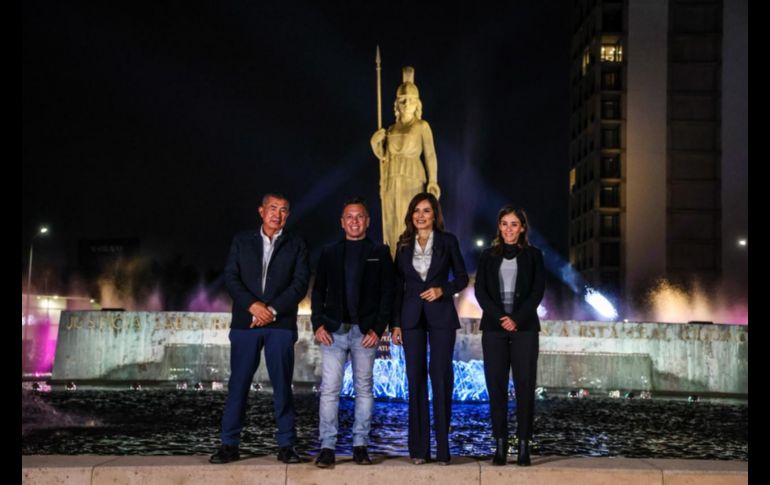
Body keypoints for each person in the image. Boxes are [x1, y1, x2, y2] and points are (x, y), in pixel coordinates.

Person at [210, 193, 310, 465]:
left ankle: (286, 445)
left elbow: (299, 284)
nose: (278, 214)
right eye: (273, 208)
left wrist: (272, 311)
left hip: (281, 325)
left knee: (282, 387)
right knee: (238, 385)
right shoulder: (242, 241)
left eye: (284, 210)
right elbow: (231, 278)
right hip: (246, 323)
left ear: (288, 215)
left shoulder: (297, 244)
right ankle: (229, 444)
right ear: (261, 211)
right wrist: (253, 306)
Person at [311, 197, 395, 468]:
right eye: (350, 216)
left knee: (364, 390)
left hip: (365, 332)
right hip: (333, 331)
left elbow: (387, 293)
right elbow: (317, 292)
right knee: (330, 391)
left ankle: (360, 445)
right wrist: (317, 324)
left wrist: (379, 328)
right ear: (342, 222)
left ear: (368, 221)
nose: (355, 221)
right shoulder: (329, 252)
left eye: (360, 216)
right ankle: (327, 447)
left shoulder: (380, 252)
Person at [390, 192, 468, 465]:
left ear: (434, 214)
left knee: (440, 376)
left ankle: (444, 449)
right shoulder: (402, 245)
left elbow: (461, 278)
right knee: (415, 380)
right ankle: (419, 450)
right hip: (410, 319)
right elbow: (396, 288)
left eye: (426, 210)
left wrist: (441, 289)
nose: (421, 215)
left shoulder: (448, 241)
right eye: (416, 211)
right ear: (411, 215)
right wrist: (396, 324)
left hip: (441, 317)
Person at [474, 206, 545, 466]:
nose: (509, 229)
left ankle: (524, 446)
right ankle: (500, 445)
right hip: (494, 331)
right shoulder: (487, 256)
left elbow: (537, 291)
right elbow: (480, 292)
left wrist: (516, 318)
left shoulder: (534, 255)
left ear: (523, 227)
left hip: (525, 330)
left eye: (514, 224)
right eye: (504, 224)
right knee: (496, 388)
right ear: (499, 227)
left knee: (525, 388)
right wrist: (501, 318)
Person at [370, 66, 441, 258]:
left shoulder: (421, 126)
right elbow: (384, 157)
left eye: (410, 100)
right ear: (397, 104)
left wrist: (433, 180)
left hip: (413, 179)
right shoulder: (391, 129)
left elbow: (431, 154)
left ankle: (414, 259)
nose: (406, 104)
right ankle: (394, 258)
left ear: (417, 103)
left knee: (411, 220)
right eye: (403, 100)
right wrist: (375, 143)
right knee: (393, 221)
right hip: (392, 179)